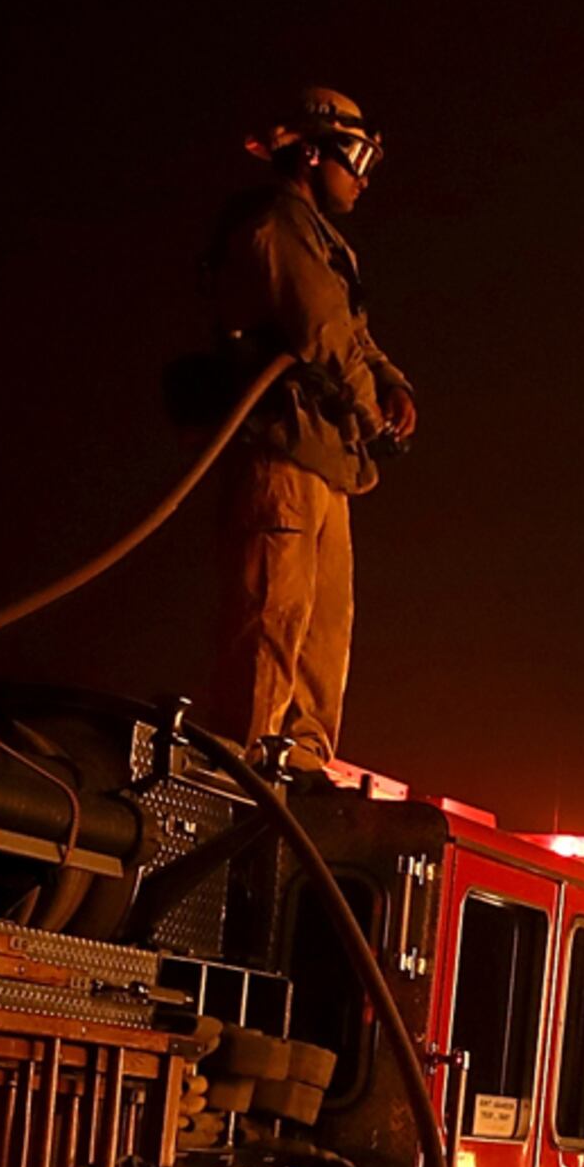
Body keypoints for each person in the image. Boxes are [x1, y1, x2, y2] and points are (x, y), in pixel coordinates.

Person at [203, 85, 414, 766]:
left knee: (324, 638)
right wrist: (368, 404)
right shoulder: (274, 221)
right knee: (273, 623)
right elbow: (319, 327)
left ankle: (300, 767)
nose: (361, 176)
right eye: (353, 156)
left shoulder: (321, 240)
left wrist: (392, 384)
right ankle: (251, 768)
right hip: (283, 456)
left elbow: (353, 331)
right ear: (311, 151)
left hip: (327, 460)